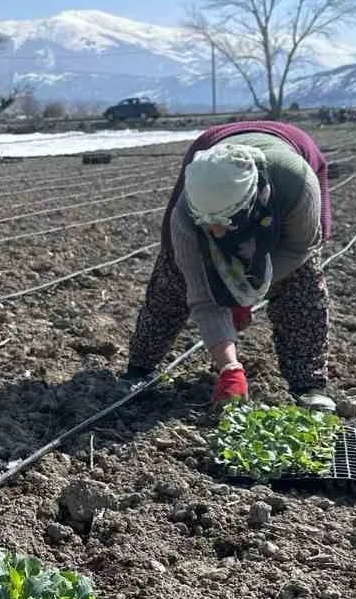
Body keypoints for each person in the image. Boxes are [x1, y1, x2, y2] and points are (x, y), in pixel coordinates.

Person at [123, 120, 335, 411]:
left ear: (249, 201)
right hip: (211, 146)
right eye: (206, 223)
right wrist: (229, 367)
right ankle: (140, 367)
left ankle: (308, 384)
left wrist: (248, 289)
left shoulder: (296, 182)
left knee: (302, 281)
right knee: (174, 273)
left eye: (224, 221)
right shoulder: (185, 216)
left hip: (294, 151)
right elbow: (202, 298)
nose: (216, 232)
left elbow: (299, 246)